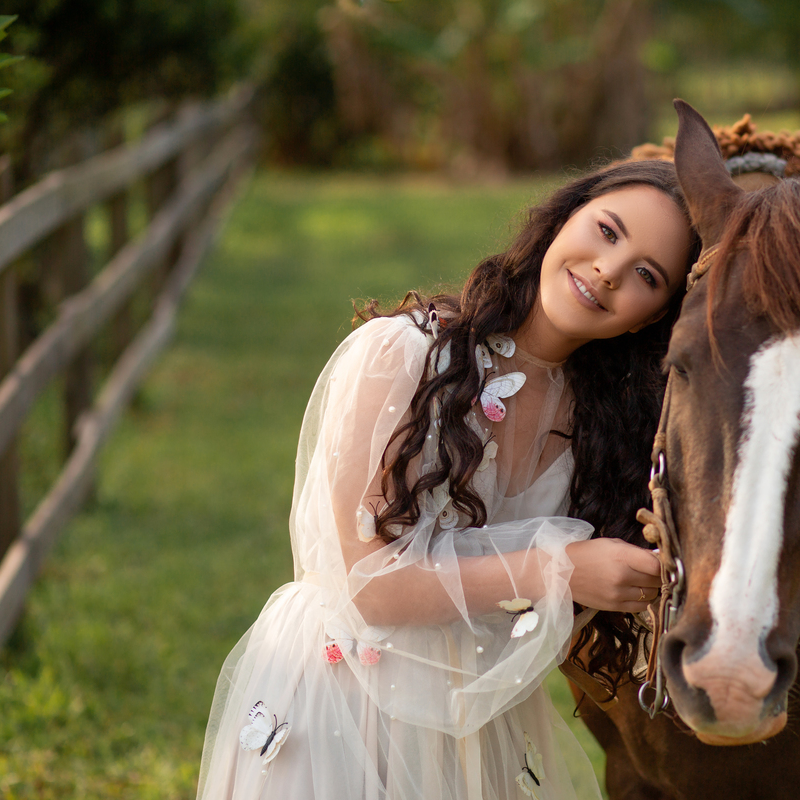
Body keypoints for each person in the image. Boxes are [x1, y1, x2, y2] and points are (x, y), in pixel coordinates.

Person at [196, 158, 701, 800]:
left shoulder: (610, 438)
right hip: (340, 706)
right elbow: (367, 588)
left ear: (652, 318)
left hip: (474, 732)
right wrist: (560, 570)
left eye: (646, 275)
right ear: (562, 219)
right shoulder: (402, 355)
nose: (608, 270)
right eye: (607, 231)